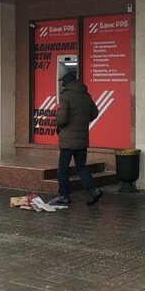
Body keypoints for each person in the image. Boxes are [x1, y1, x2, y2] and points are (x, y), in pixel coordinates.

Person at [48, 70, 103, 208]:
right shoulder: (86, 95)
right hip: (82, 139)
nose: (62, 85)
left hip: (68, 139)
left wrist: (57, 121)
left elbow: (62, 118)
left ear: (67, 83)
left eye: (63, 82)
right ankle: (93, 190)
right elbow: (94, 113)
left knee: (63, 168)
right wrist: (82, 120)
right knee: (81, 167)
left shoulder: (66, 96)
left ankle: (64, 196)